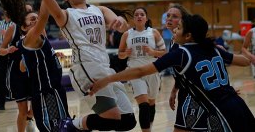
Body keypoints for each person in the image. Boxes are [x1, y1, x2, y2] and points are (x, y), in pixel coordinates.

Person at [90, 14, 255, 132]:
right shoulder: (214, 49)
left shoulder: (182, 53)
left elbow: (140, 71)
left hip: (220, 111)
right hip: (238, 105)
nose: (174, 30)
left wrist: (108, 79)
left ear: (188, 35)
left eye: (179, 28)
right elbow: (245, 61)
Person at [32, 0, 137, 131]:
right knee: (112, 118)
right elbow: (49, 7)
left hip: (106, 68)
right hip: (86, 67)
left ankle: (76, 126)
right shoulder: (66, 14)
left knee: (128, 121)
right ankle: (68, 125)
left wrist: (120, 21)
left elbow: (120, 25)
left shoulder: (99, 9)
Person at [0, 0, 70, 131]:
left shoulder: (39, 33)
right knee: (44, 121)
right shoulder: (28, 34)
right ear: (23, 26)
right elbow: (45, 13)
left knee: (60, 123)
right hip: (39, 85)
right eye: (31, 18)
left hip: (51, 86)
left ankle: (33, 117)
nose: (35, 20)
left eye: (35, 17)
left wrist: (53, 55)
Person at [118, 7, 166, 132]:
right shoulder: (127, 34)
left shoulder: (154, 32)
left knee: (151, 102)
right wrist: (125, 54)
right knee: (143, 105)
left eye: (142, 14)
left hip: (152, 70)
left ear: (146, 18)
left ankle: (149, 127)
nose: (139, 16)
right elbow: (120, 54)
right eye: (136, 15)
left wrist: (152, 51)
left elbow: (164, 53)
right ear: (134, 19)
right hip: (134, 71)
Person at [0, 0, 34, 132]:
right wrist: (7, 50)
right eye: (26, 12)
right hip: (17, 73)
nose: (30, 14)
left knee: (36, 106)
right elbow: (1, 50)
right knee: (22, 110)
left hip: (33, 70)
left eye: (31, 11)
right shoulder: (13, 28)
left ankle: (30, 117)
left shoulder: (37, 28)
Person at [0, 11, 13, 110]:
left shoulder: (14, 24)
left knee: (11, 76)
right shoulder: (0, 23)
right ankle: (1, 102)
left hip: (11, 52)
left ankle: (13, 96)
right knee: (0, 78)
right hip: (2, 52)